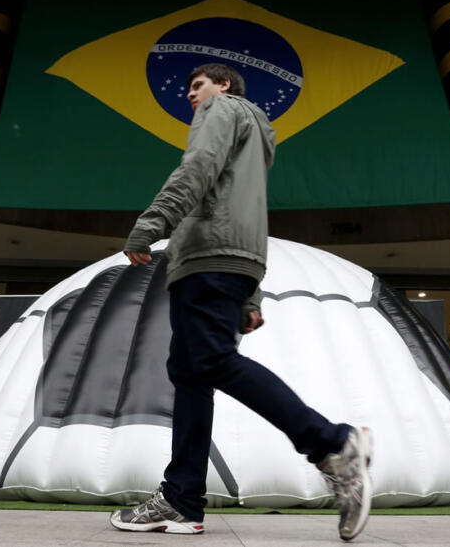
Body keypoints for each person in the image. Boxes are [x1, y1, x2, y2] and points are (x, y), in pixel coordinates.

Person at [109, 64, 372, 541]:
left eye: (197, 85)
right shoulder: (255, 136)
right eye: (189, 88)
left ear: (223, 85)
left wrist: (153, 221)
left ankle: (331, 444)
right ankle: (182, 500)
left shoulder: (221, 110)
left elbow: (198, 167)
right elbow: (247, 206)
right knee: (190, 375)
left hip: (210, 254)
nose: (192, 95)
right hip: (229, 260)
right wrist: (250, 294)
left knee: (210, 361)